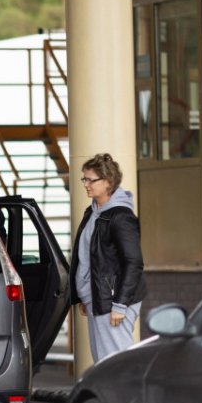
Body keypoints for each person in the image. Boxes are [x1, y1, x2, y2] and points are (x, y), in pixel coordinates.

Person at [70, 153, 146, 363]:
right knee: (103, 360)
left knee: (116, 362)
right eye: (83, 179)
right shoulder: (93, 212)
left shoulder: (121, 216)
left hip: (113, 300)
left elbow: (134, 262)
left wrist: (120, 305)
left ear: (108, 182)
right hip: (98, 297)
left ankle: (130, 397)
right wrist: (85, 294)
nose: (85, 184)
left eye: (90, 180)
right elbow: (87, 257)